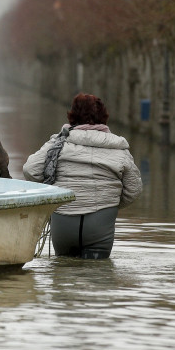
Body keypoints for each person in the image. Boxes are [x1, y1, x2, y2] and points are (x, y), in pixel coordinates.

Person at [22, 93, 142, 259]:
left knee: (64, 274)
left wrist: (52, 190)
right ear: (104, 117)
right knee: (97, 277)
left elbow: (30, 170)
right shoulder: (119, 149)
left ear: (72, 117)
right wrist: (109, 201)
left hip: (63, 222)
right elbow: (134, 190)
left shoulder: (57, 143)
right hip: (100, 223)